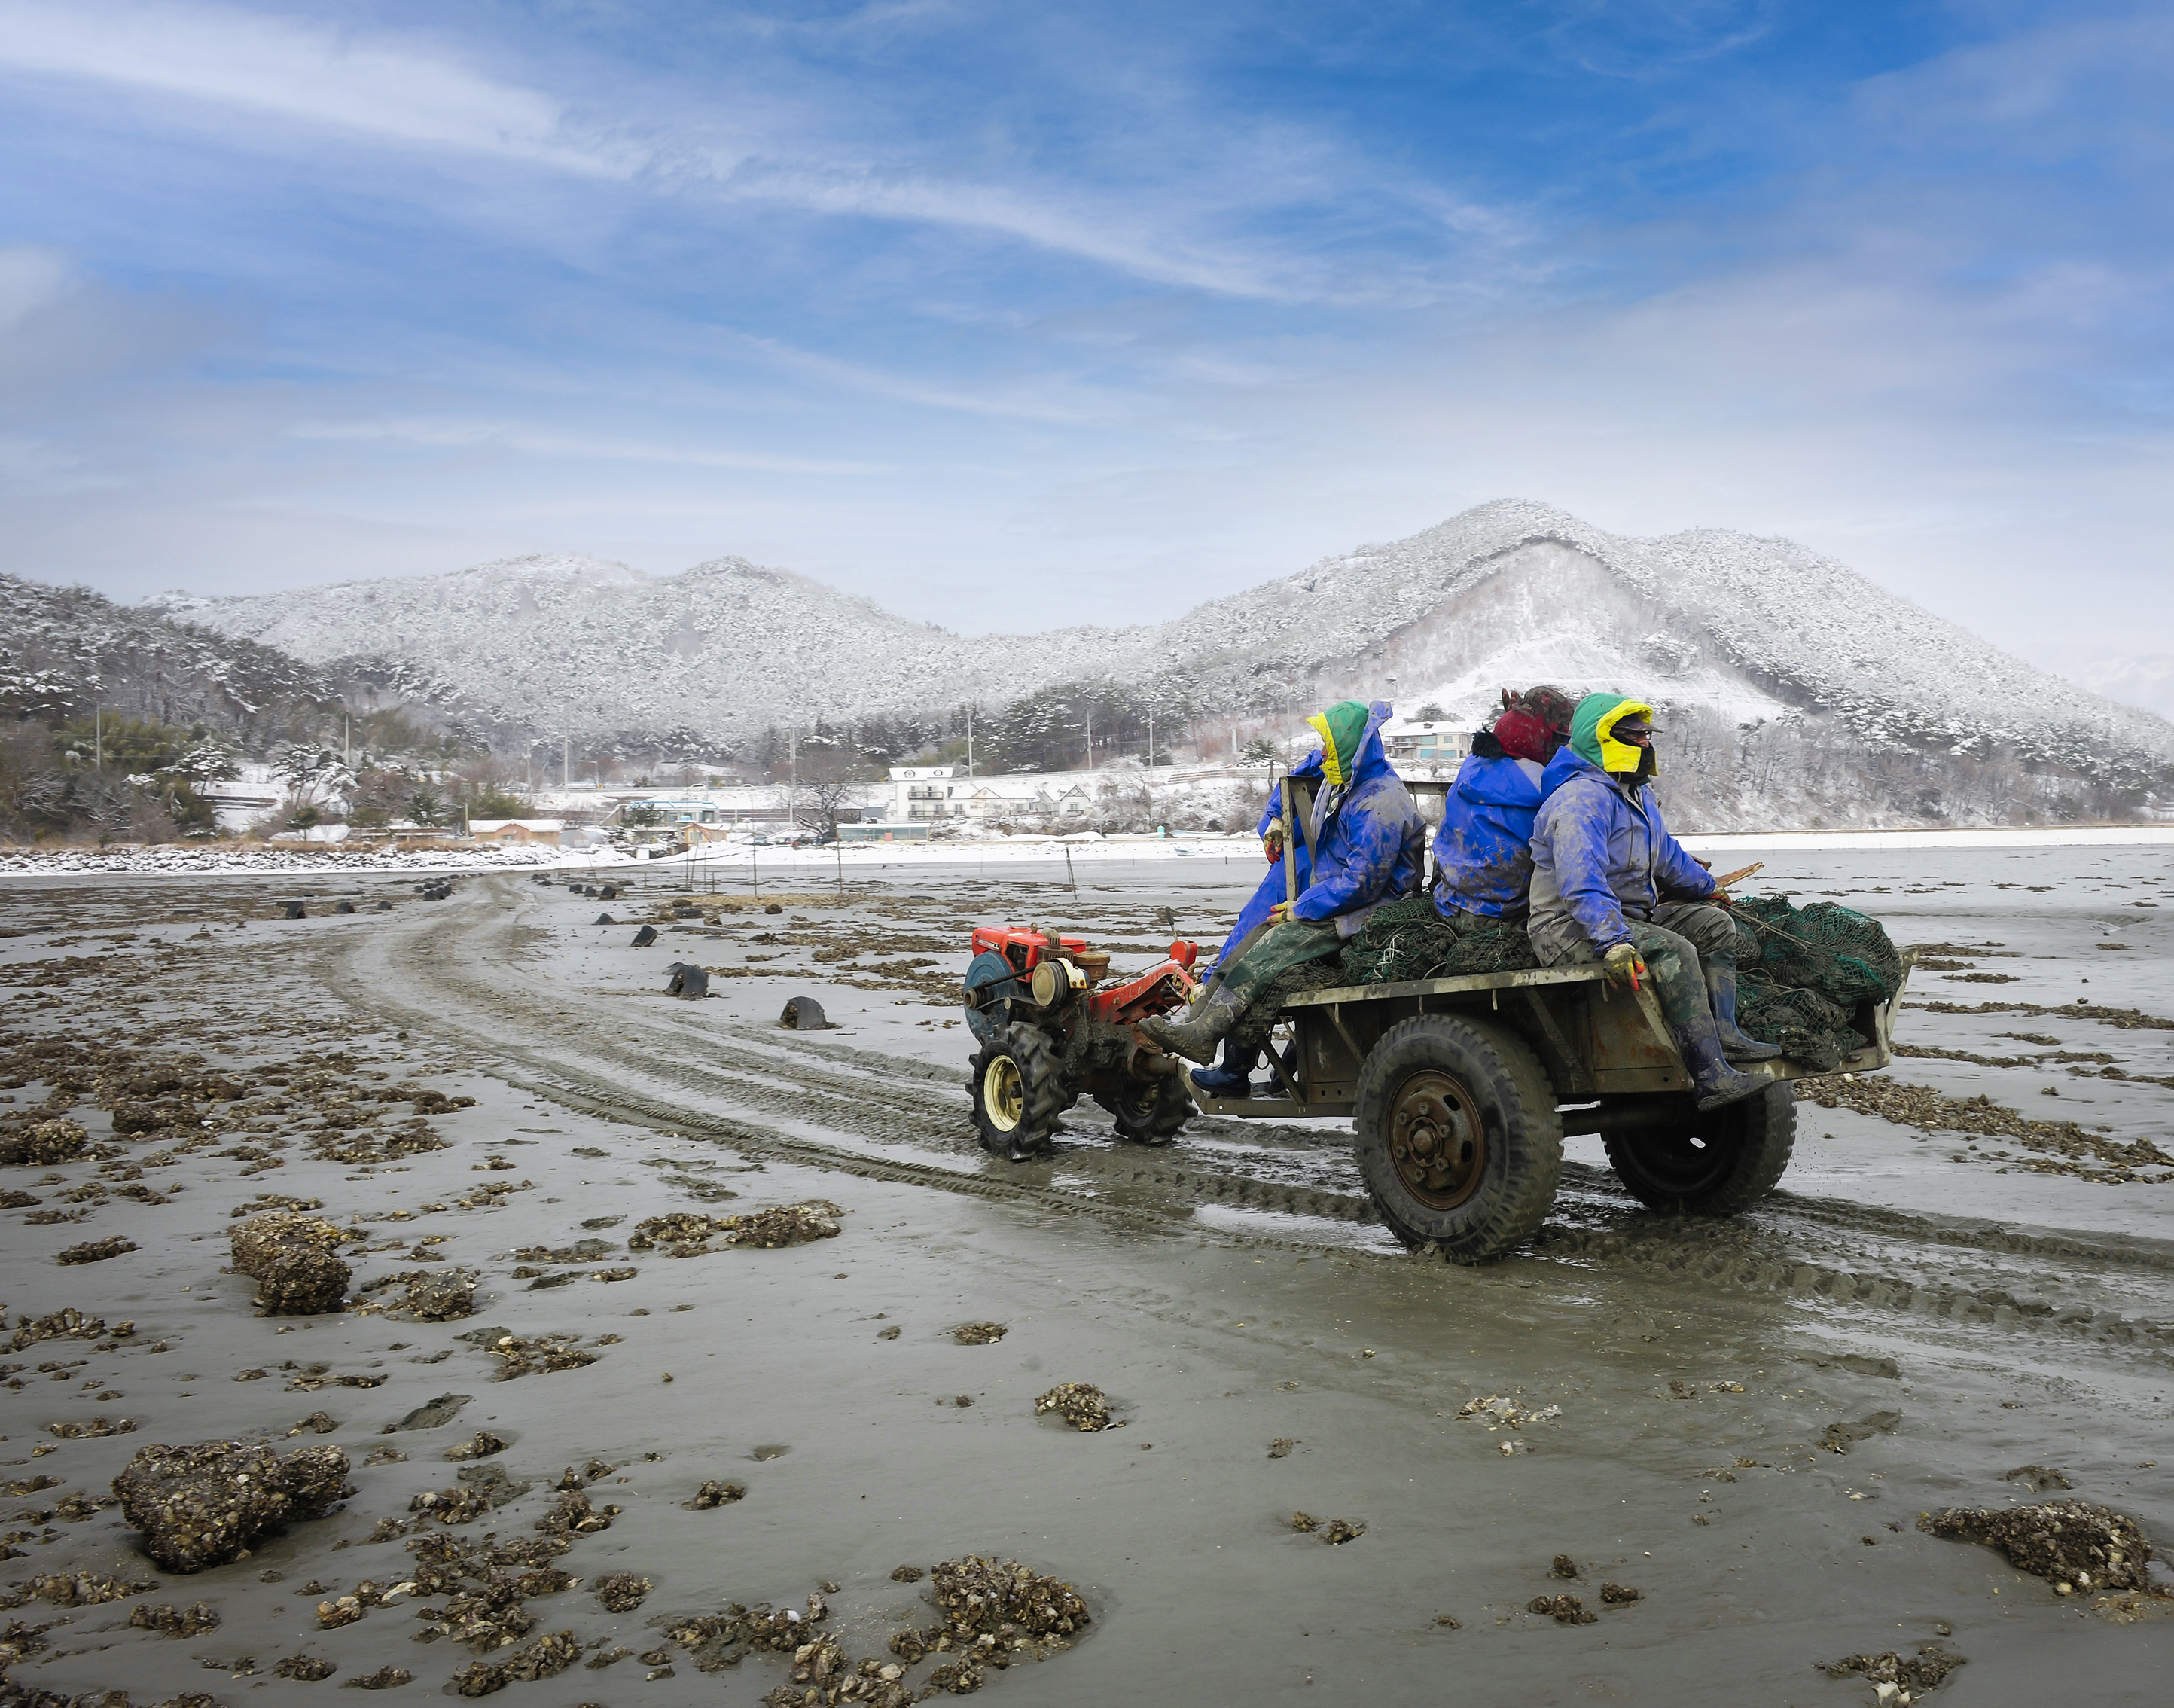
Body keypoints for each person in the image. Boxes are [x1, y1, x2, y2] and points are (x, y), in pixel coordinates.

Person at [1526, 693, 1779, 1112]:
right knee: (1674, 949)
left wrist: (1708, 888)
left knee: (1713, 926)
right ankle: (1709, 1076)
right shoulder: (1578, 801)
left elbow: (1668, 856)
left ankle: (1726, 1033)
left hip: (1629, 915)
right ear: (1600, 740)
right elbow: (1580, 884)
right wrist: (1612, 942)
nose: (1645, 744)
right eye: (1633, 737)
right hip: (1570, 927)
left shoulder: (1637, 795)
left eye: (1647, 735)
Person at [1147, 699, 1422, 1068]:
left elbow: (1362, 883)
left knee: (1274, 946)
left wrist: (1301, 908)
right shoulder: (1352, 779)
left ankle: (1206, 1035)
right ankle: (1196, 1025)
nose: (1324, 754)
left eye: (1331, 746)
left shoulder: (1380, 804)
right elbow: (1311, 762)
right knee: (1256, 934)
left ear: (1350, 749)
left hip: (1370, 911)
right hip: (1339, 900)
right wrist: (1277, 815)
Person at [1430, 685, 1577, 923]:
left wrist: (1517, 722)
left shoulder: (1472, 766)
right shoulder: (1546, 784)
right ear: (1548, 740)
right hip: (1503, 914)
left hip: (1450, 902)